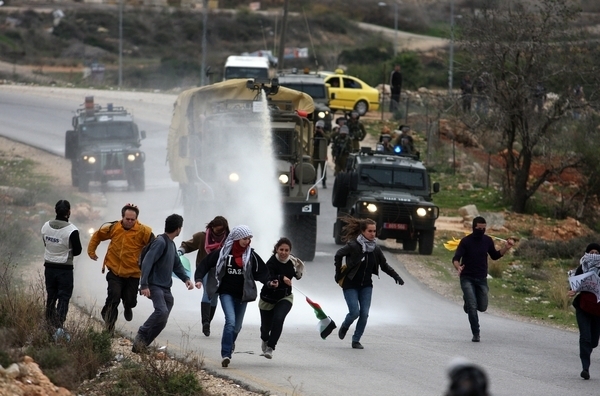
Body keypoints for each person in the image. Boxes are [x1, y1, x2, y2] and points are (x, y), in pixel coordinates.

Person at [194, 225, 274, 368]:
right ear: (237, 238)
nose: (247, 241)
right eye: (245, 238)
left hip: (242, 296)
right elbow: (205, 264)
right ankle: (226, 354)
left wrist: (269, 282)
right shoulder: (223, 253)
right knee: (230, 321)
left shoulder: (251, 256)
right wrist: (199, 279)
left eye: (249, 239)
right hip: (226, 293)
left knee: (237, 327)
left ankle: (230, 343)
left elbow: (261, 272)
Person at [334, 217, 405, 349]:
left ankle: (356, 340)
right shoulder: (354, 246)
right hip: (350, 285)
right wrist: (338, 272)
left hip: (366, 286)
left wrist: (396, 276)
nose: (373, 234)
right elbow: (338, 254)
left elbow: (384, 266)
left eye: (374, 231)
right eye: (370, 231)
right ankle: (345, 325)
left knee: (364, 313)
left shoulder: (375, 249)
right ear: (362, 231)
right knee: (354, 312)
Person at [88, 203, 154, 334]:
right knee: (114, 298)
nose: (129, 222)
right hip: (115, 272)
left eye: (132, 220)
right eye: (127, 219)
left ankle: (128, 306)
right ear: (122, 217)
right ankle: (109, 328)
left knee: (131, 301)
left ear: (136, 219)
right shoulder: (114, 228)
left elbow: (155, 245)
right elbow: (97, 235)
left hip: (133, 274)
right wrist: (91, 251)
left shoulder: (144, 231)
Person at [133, 214, 194, 353]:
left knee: (163, 318)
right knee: (161, 311)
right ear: (178, 229)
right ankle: (141, 334)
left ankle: (142, 345)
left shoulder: (171, 244)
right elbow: (148, 261)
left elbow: (177, 265)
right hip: (155, 285)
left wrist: (186, 279)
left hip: (165, 288)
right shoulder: (160, 242)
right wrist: (144, 285)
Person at [452, 216, 515, 342]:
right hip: (467, 277)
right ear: (473, 228)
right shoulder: (465, 241)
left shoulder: (488, 241)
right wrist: (458, 267)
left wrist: (506, 248)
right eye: (479, 228)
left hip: (481, 278)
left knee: (482, 307)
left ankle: (468, 303)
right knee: (473, 305)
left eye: (483, 228)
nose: (481, 231)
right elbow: (456, 258)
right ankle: (476, 333)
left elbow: (495, 256)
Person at [178, 216, 230, 337]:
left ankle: (208, 321)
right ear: (211, 227)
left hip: (221, 271)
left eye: (221, 231)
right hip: (205, 268)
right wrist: (180, 251)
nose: (219, 234)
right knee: (207, 292)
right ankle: (205, 322)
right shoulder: (202, 237)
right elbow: (187, 245)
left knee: (215, 295)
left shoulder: (229, 240)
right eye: (216, 231)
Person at [41, 200, 82, 336]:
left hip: (49, 267)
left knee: (51, 295)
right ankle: (58, 326)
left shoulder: (45, 226)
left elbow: (45, 243)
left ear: (55, 210)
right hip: (65, 268)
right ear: (69, 212)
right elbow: (77, 251)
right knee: (64, 297)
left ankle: (48, 324)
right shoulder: (72, 230)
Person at [259, 237, 305, 359]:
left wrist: (299, 269)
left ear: (290, 251)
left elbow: (297, 276)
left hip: (285, 297)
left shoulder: (292, 261)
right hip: (268, 298)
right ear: (276, 250)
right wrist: (281, 278)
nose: (284, 253)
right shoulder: (271, 262)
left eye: (287, 250)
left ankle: (270, 347)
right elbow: (268, 277)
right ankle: (265, 339)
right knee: (265, 328)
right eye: (281, 250)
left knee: (279, 319)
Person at [567, 242, 600, 380]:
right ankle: (585, 368)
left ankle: (588, 351)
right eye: (591, 252)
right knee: (585, 337)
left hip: (598, 310)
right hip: (583, 307)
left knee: (593, 341)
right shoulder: (582, 267)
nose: (593, 255)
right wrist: (572, 291)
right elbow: (575, 283)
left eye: (596, 253)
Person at [312, 120, 330, 188]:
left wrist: (322, 133)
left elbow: (328, 138)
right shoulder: (314, 133)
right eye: (318, 127)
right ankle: (313, 180)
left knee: (323, 168)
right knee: (314, 168)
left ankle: (323, 181)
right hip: (315, 152)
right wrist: (315, 132)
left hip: (322, 152)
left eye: (320, 127)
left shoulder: (325, 132)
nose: (319, 128)